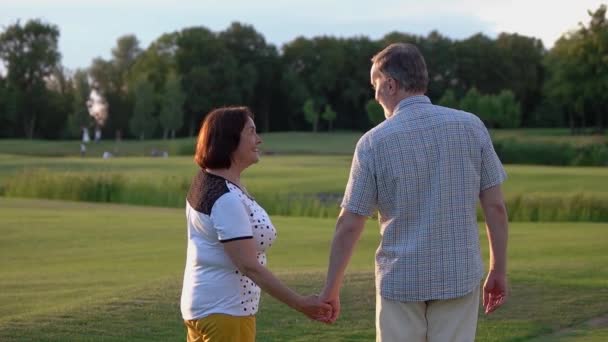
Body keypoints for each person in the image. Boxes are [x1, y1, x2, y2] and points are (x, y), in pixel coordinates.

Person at [320, 43, 509, 341]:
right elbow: (495, 207)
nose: (375, 94)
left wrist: (330, 289)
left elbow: (350, 224)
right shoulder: (471, 127)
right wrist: (498, 269)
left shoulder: (373, 143)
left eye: (375, 85)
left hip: (400, 281)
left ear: (391, 85)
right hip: (458, 276)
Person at [180, 106, 331, 342]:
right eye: (251, 132)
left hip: (206, 308)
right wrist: (302, 304)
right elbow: (248, 265)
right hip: (226, 314)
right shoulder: (225, 198)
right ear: (229, 140)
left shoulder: (208, 179)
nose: (258, 140)